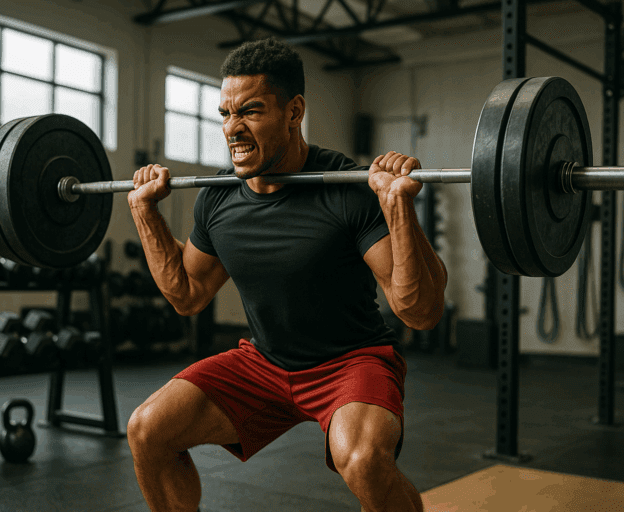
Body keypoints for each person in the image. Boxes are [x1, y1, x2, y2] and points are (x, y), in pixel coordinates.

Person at [126, 37, 447, 512]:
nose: (232, 128)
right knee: (148, 429)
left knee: (361, 460)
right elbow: (188, 294)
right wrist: (144, 212)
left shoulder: (346, 188)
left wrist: (397, 207)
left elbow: (419, 312)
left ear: (294, 111)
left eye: (251, 112)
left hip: (351, 362)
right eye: (225, 114)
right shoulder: (218, 198)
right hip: (265, 363)